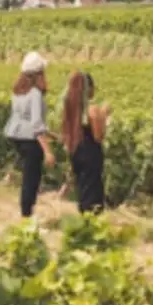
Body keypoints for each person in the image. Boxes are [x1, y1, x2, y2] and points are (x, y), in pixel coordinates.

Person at [3, 51, 55, 218]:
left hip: (16, 136)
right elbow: (36, 124)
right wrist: (47, 151)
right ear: (38, 74)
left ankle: (27, 214)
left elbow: (24, 119)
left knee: (28, 177)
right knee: (31, 180)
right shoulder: (35, 94)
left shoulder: (17, 91)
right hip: (30, 140)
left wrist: (54, 135)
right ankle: (27, 217)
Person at [60, 71, 109, 214]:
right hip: (90, 155)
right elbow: (98, 136)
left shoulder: (71, 110)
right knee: (93, 193)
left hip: (76, 152)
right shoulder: (92, 110)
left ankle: (84, 220)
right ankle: (92, 225)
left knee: (83, 190)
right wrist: (104, 116)